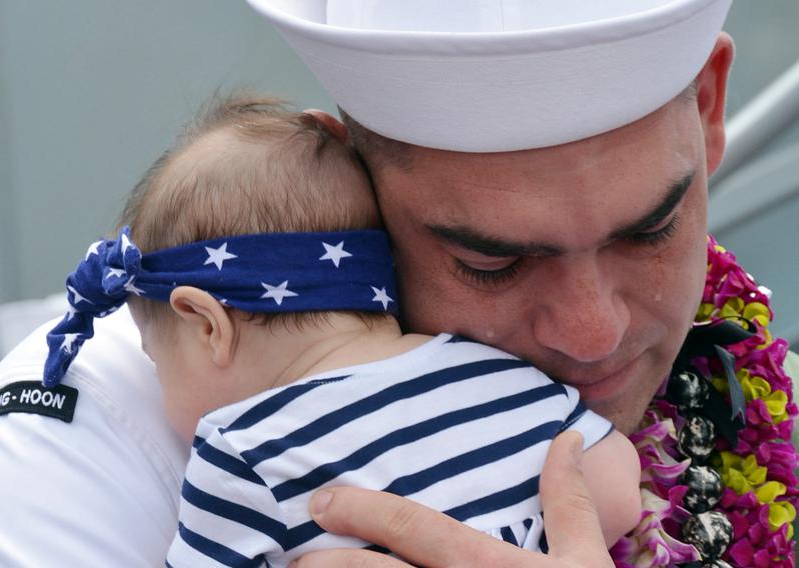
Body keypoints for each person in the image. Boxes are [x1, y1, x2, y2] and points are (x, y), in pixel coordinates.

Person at [0, 1, 799, 567]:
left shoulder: (749, 379)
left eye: (650, 231)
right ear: (348, 173)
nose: (593, 331)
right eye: (490, 262)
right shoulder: (82, 438)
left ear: (711, 108)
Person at [40, 97, 638, 566]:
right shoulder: (501, 370)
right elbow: (616, 491)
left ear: (207, 326)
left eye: (154, 358)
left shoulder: (237, 451)